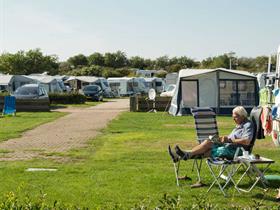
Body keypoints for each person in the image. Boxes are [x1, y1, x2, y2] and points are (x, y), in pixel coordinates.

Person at [168, 106, 254, 161]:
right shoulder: (239, 125)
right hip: (229, 146)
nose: (233, 120)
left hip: (237, 151)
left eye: (235, 117)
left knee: (208, 149)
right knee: (208, 141)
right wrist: (221, 139)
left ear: (242, 116)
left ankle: (182, 156)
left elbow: (247, 141)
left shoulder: (247, 125)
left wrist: (229, 139)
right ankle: (185, 155)